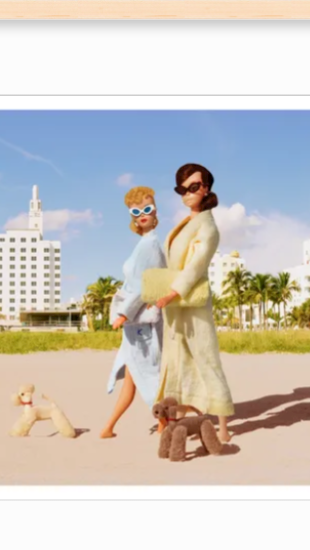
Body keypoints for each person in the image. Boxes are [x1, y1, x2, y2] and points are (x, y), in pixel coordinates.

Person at [154, 164, 235, 443]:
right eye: (181, 189)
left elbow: (195, 267)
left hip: (191, 300)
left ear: (205, 188)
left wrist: (171, 293)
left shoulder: (208, 226)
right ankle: (172, 419)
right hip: (175, 304)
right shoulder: (186, 222)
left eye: (192, 188)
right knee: (175, 360)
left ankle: (223, 426)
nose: (186, 194)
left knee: (205, 357)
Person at [100, 186, 167, 439]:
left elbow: (143, 285)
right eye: (136, 211)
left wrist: (124, 314)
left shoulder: (151, 244)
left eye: (147, 209)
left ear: (155, 211)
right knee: (135, 376)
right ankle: (109, 427)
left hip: (140, 324)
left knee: (149, 375)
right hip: (136, 324)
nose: (142, 215)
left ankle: (164, 423)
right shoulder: (144, 243)